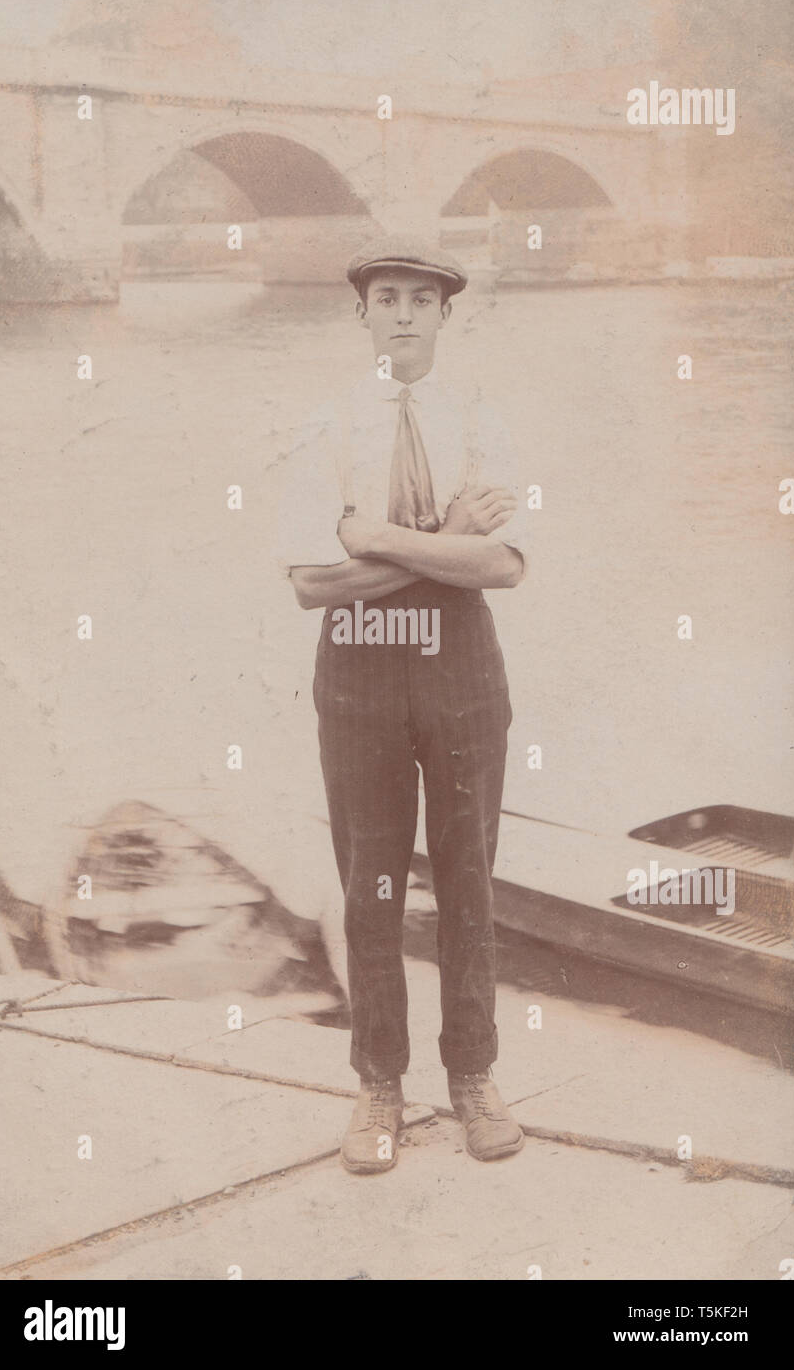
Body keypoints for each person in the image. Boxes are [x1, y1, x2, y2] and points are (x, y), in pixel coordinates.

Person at [276, 236, 526, 1173]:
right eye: (388, 296)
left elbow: (502, 565)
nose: (406, 313)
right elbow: (308, 582)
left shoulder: (484, 422)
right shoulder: (328, 424)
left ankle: (473, 1077)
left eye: (423, 298)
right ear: (365, 313)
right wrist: (440, 538)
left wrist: (370, 539)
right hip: (359, 672)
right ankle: (379, 1083)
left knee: (468, 879)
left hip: (462, 665)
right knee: (370, 887)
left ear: (445, 315)